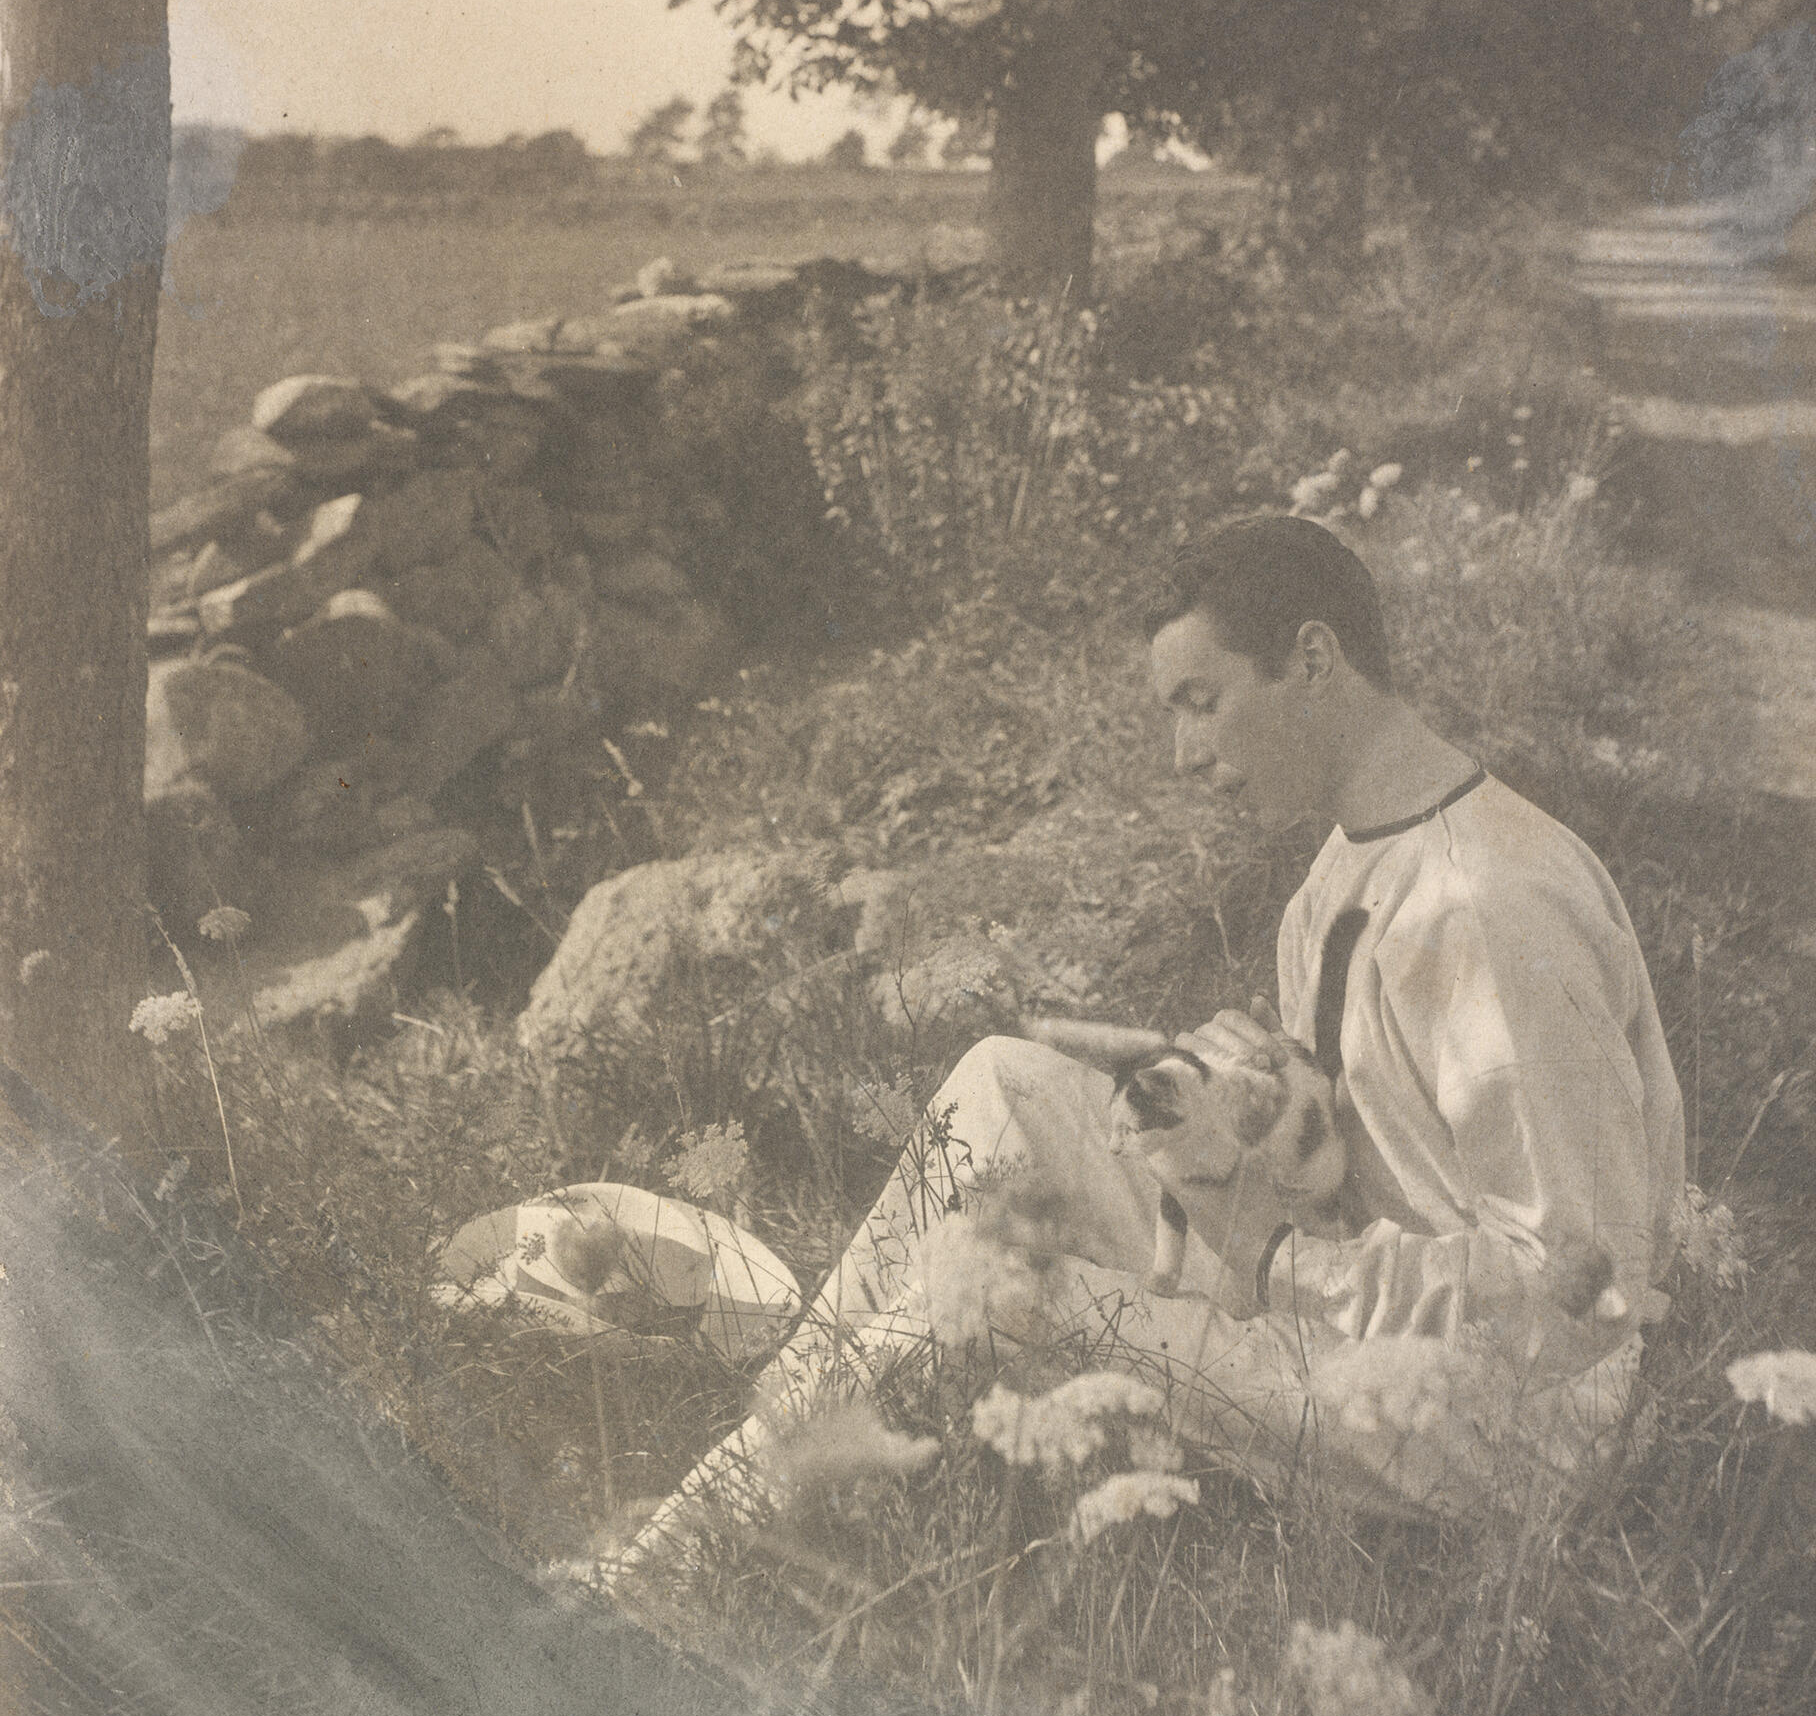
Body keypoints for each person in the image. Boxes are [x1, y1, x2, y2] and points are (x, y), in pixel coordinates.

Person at [637, 516, 1687, 1556]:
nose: (1185, 755)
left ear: (1313, 659)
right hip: (1357, 1299)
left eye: (1202, 703)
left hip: (1507, 1413)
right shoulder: (1334, 880)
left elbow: (1578, 1295)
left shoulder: (1486, 908)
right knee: (1002, 1081)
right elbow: (1363, 1157)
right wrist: (1241, 1101)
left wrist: (1275, 1257)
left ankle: (692, 1551)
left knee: (1003, 1273)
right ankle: (765, 1438)